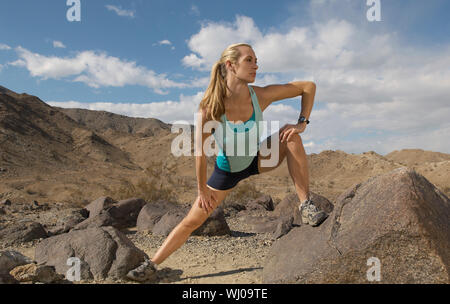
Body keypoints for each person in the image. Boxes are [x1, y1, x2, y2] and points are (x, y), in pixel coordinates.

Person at [126, 42, 328, 281]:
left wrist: (302, 122)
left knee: (292, 137)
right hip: (227, 171)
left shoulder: (260, 96)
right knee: (192, 221)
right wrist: (202, 189)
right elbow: (200, 153)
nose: (256, 65)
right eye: (249, 60)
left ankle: (305, 206)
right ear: (231, 65)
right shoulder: (210, 109)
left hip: (258, 158)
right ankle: (151, 264)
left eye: (256, 60)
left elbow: (308, 87)